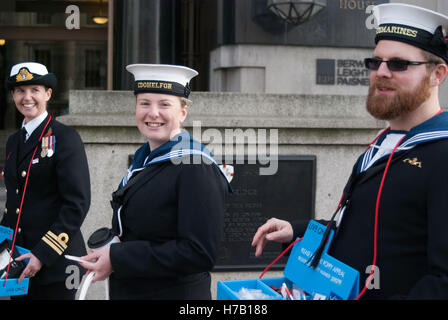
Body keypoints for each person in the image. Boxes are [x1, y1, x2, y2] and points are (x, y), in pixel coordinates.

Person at [252, 3, 448, 300]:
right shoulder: (385, 141)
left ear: (438, 74)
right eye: (376, 62)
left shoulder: (442, 151)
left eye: (398, 64)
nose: (382, 72)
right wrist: (299, 230)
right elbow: (366, 226)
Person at [79, 64, 230, 300]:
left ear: (183, 112)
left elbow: (199, 253)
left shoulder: (195, 167)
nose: (153, 113)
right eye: (145, 103)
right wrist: (114, 246)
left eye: (164, 104)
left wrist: (118, 257)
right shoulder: (146, 158)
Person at [1, 62, 91, 299]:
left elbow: (76, 204)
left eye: (35, 90)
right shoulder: (13, 141)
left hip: (55, 265)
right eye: (20, 91)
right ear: (12, 95)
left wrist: (42, 254)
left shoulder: (65, 137)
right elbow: (15, 203)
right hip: (19, 264)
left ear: (48, 94)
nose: (27, 97)